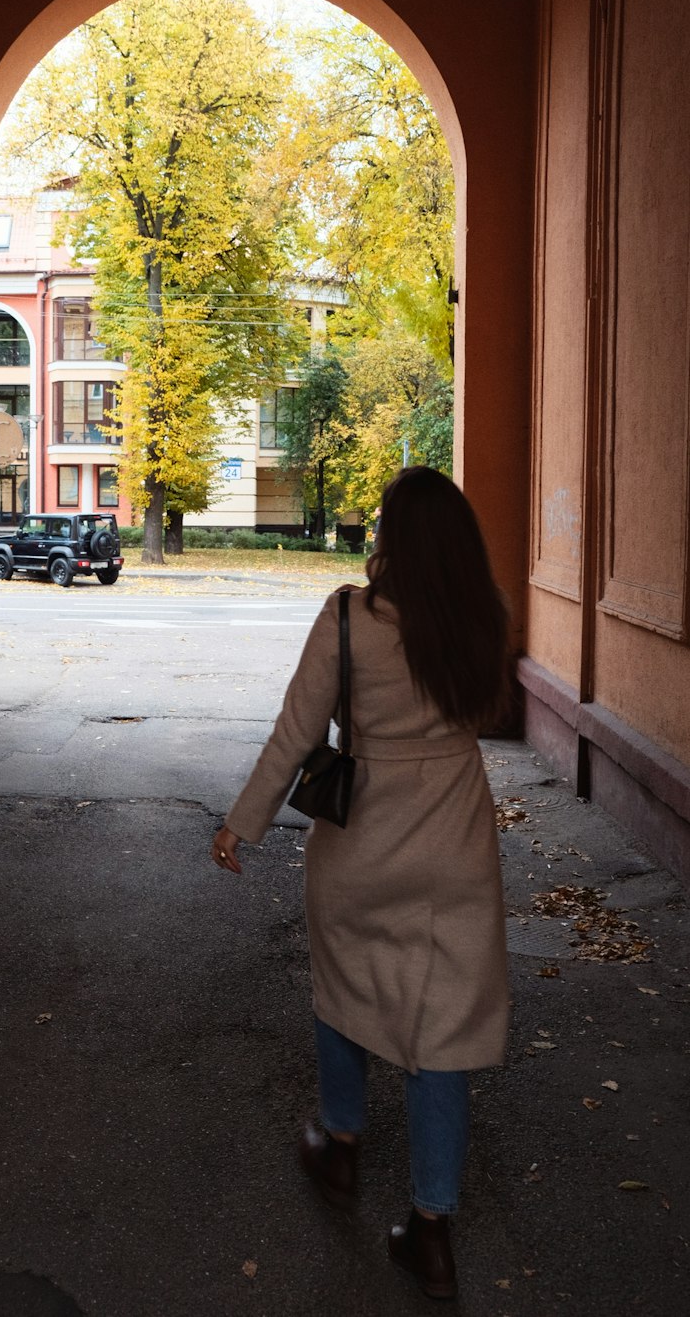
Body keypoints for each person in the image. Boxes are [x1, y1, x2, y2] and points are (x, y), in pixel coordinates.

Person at [211, 467, 510, 1301]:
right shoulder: (480, 618)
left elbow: (297, 731)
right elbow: (485, 712)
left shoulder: (350, 616)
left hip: (365, 837)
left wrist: (242, 821)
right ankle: (432, 1228)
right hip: (455, 830)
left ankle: (339, 1144)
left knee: (344, 978)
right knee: (442, 1022)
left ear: (389, 536)